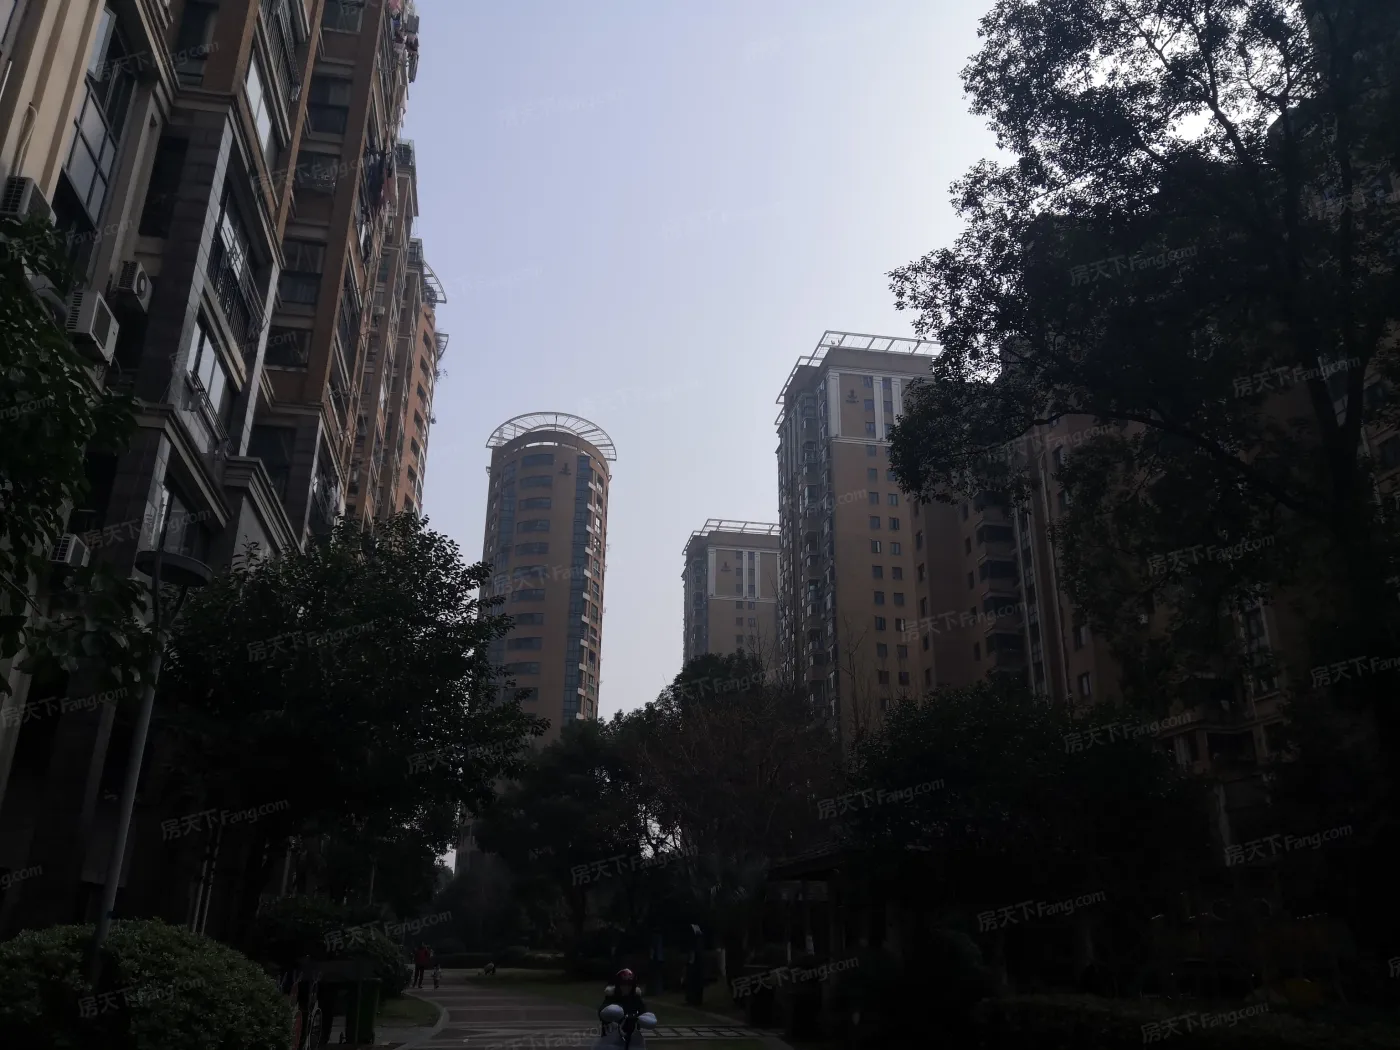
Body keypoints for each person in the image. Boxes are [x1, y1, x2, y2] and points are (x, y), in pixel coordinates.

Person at [598, 968, 647, 1036]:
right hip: (612, 1034)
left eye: (629, 985)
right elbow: (602, 1010)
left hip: (633, 1035)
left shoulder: (636, 998)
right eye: (623, 984)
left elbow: (643, 1012)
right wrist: (609, 1014)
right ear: (618, 985)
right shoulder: (611, 997)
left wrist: (642, 1018)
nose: (626, 987)